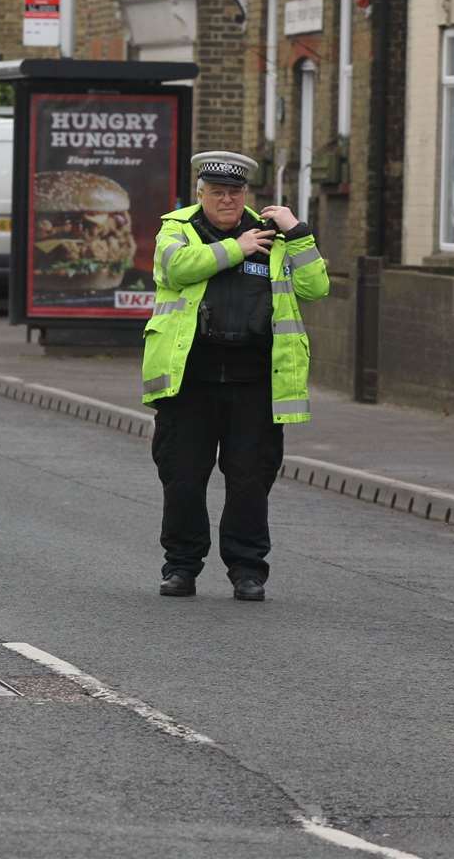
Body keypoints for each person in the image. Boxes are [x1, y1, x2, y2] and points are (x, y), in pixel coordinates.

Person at [141, 150, 329, 601]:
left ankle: (248, 570)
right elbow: (175, 268)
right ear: (201, 194)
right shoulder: (178, 229)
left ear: (246, 193)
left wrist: (299, 233)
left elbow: (316, 287)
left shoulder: (276, 236)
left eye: (235, 192)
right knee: (183, 477)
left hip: (255, 383)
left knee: (250, 480)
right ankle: (181, 567)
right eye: (217, 192)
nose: (227, 200)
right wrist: (235, 248)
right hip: (189, 381)